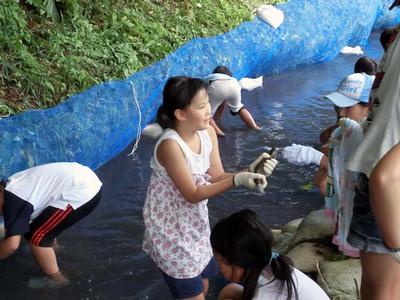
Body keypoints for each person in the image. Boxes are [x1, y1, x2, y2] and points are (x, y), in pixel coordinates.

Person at [142, 76, 277, 300]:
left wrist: (250, 170)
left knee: (203, 284)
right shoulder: (170, 146)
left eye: (208, 104)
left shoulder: (208, 133)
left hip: (195, 224)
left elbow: (217, 176)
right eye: (202, 106)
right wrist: (237, 180)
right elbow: (192, 194)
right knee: (193, 291)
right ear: (181, 114)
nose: (209, 111)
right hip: (170, 232)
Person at [345, 1, 400, 298]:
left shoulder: (396, 38)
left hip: (374, 170)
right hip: (391, 190)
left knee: (377, 286)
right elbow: (386, 178)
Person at [0, 162, 102, 284]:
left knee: (37, 238)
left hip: (81, 193)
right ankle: (54, 249)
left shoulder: (15, 202)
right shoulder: (12, 186)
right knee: (43, 226)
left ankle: (56, 279)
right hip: (82, 180)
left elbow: (12, 245)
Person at [210, 209, 330, 300]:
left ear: (234, 263)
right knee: (230, 290)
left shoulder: (264, 295)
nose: (217, 265)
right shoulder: (273, 264)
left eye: (218, 259)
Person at [204, 66, 261, 136]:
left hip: (217, 87)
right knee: (239, 108)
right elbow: (222, 102)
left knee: (207, 114)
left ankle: (219, 132)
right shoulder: (232, 79)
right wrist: (217, 118)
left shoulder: (210, 77)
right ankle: (254, 126)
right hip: (234, 86)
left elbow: (200, 87)